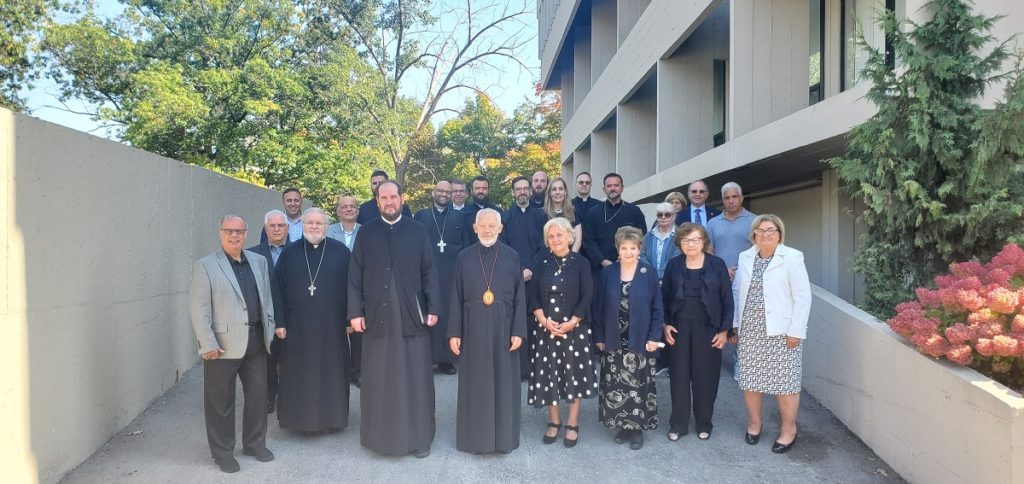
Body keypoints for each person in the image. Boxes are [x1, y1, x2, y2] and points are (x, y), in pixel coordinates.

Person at [348, 180, 441, 458]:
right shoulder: (366, 233)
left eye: (393, 196)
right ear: (377, 201)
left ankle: (419, 438)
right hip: (377, 316)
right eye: (383, 197)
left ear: (402, 198)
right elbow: (355, 275)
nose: (389, 201)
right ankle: (379, 439)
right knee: (379, 379)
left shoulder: (418, 230)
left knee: (416, 378)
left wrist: (434, 307)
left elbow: (429, 271)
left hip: (412, 316)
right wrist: (355, 312)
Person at [189, 215, 276, 473]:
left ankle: (254, 444)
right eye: (229, 231)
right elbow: (199, 308)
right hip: (222, 346)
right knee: (220, 403)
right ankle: (223, 452)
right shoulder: (206, 265)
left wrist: (270, 329)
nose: (234, 235)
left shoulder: (258, 261)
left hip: (256, 342)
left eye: (239, 231)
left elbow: (267, 299)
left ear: (246, 233)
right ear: (220, 233)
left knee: (258, 397)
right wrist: (207, 343)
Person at [447, 208, 527, 454]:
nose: (488, 230)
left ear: (500, 228)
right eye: (483, 225)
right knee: (476, 382)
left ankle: (503, 440)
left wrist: (518, 330)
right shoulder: (464, 257)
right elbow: (455, 295)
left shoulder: (512, 256)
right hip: (473, 327)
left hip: (504, 326)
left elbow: (520, 297)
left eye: (492, 225)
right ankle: (475, 440)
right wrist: (454, 332)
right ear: (475, 228)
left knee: (503, 382)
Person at [733, 214, 811, 454]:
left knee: (785, 384)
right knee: (751, 381)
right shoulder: (745, 257)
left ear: (779, 234)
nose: (765, 234)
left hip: (782, 332)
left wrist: (796, 330)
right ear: (753, 234)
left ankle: (789, 429)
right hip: (750, 331)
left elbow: (803, 296)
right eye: (760, 230)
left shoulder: (792, 257)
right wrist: (735, 324)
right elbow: (736, 291)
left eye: (771, 230)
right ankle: (754, 423)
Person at [273, 208, 351, 433]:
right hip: (297, 327)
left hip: (332, 326)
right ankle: (297, 421)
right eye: (310, 223)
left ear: (327, 227)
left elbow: (353, 287)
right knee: (299, 373)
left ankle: (332, 420)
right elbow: (277, 290)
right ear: (302, 226)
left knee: (331, 372)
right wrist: (280, 322)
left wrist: (350, 318)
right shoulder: (289, 253)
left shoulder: (341, 252)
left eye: (319, 223)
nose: (315, 227)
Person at [527, 217, 596, 448]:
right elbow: (533, 295)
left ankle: (572, 423)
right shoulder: (541, 262)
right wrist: (543, 320)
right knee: (550, 376)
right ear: (547, 241)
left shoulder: (581, 263)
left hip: (574, 331)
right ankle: (554, 421)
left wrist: (573, 321)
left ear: (569, 236)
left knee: (573, 375)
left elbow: (587, 294)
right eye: (551, 236)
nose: (556, 239)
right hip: (546, 330)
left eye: (559, 234)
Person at [661, 223, 733, 442]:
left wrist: (724, 331)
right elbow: (664, 297)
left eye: (695, 240)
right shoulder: (673, 265)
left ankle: (704, 422)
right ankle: (679, 423)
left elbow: (727, 299)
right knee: (679, 377)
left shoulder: (717, 265)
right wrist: (665, 324)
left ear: (704, 242)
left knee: (706, 377)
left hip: (709, 329)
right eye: (685, 240)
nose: (690, 244)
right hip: (679, 328)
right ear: (679, 243)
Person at [593, 227, 663, 450]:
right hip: (613, 338)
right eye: (624, 247)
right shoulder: (608, 273)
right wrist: (599, 335)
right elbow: (598, 307)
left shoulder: (648, 273)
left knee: (639, 385)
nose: (629, 252)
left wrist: (654, 336)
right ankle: (622, 425)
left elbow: (657, 308)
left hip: (640, 339)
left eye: (633, 248)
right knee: (616, 384)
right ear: (618, 248)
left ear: (640, 248)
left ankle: (637, 429)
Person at [414, 181, 469, 375]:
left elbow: (466, 245)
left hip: (451, 274)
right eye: (440, 191)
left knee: (448, 314)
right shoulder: (421, 216)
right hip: (426, 272)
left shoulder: (460, 217)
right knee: (428, 313)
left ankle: (446, 360)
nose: (444, 194)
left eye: (448, 191)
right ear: (433, 192)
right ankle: (427, 358)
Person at [706, 181, 756, 382]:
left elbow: (758, 249)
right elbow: (709, 251)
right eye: (727, 198)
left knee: (742, 322)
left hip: (745, 279)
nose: (731, 201)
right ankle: (711, 360)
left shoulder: (754, 221)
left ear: (741, 198)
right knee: (716, 317)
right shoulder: (713, 223)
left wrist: (743, 269)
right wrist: (722, 269)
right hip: (719, 278)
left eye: (735, 196)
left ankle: (740, 362)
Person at [501, 176, 548, 377]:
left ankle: (536, 366)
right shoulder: (505, 217)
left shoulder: (541, 216)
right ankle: (517, 367)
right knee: (515, 319)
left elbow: (544, 244)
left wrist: (530, 269)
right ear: (513, 192)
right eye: (518, 189)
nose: (522, 192)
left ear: (530, 191)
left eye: (525, 188)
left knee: (535, 319)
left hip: (536, 276)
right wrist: (520, 269)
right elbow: (503, 246)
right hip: (513, 277)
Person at [247, 210, 288, 414]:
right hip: (265, 316)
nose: (277, 229)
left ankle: (289, 397)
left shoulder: (299, 250)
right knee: (267, 360)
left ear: (287, 228)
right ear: (265, 228)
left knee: (290, 359)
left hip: (291, 316)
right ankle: (269, 396)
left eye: (281, 225)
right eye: (272, 226)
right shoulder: (251, 254)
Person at [327, 194, 363, 387]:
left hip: (360, 289)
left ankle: (357, 372)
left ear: (357, 210)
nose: (349, 209)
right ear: (338, 211)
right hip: (334, 289)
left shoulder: (366, 232)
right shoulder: (328, 231)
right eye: (344, 206)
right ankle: (337, 371)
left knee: (358, 333)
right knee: (335, 333)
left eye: (352, 206)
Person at [582, 173, 647, 274]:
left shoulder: (634, 211)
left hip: (629, 266)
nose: (612, 188)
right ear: (604, 189)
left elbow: (642, 238)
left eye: (616, 185)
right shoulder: (593, 212)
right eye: (609, 186)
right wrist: (603, 261)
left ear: (622, 188)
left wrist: (627, 259)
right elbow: (588, 241)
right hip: (601, 268)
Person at [640, 202, 681, 280]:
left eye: (667, 215)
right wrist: (651, 273)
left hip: (671, 278)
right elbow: (641, 255)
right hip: (649, 278)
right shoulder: (648, 236)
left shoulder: (680, 235)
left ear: (674, 216)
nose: (663, 217)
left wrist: (658, 275)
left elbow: (675, 259)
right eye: (660, 215)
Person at [542, 176, 582, 253]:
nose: (557, 192)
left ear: (565, 192)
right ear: (549, 193)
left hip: (571, 257)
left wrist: (569, 258)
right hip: (548, 257)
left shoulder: (574, 213)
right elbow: (542, 241)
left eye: (561, 189)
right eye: (554, 189)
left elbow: (578, 241)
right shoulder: (542, 214)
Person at [463, 175, 501, 245]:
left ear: (488, 190)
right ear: (471, 190)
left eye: (484, 188)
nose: (481, 191)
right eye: (477, 188)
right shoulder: (463, 213)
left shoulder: (498, 212)